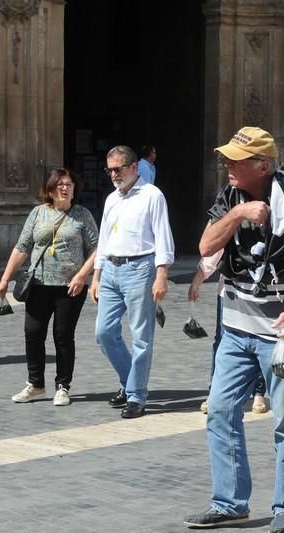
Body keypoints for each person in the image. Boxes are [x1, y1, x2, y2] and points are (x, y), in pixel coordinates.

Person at [183, 126, 284, 533]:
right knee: (221, 411)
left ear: (262, 165)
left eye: (236, 160)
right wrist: (237, 214)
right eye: (226, 158)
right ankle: (229, 502)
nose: (227, 165)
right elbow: (206, 246)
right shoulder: (230, 195)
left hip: (282, 336)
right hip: (234, 330)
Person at [0, 168, 98, 406]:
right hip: (38, 284)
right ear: (50, 190)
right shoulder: (37, 213)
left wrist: (82, 275)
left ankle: (63, 386)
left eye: (69, 184)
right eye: (60, 184)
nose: (65, 188)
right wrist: (4, 279)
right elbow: (22, 247)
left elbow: (97, 248)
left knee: (62, 335)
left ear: (74, 189)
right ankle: (36, 385)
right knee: (33, 333)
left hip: (69, 286)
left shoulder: (82, 214)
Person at [91, 145, 174, 419]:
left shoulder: (152, 195)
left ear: (134, 168)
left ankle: (136, 395)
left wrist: (161, 274)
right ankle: (129, 381)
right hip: (111, 269)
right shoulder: (112, 199)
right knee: (103, 332)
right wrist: (96, 276)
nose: (114, 175)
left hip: (140, 267)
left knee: (141, 336)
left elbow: (163, 237)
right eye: (110, 170)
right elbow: (104, 239)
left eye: (119, 169)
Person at [189, 252, 268, 415]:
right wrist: (197, 280)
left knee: (260, 338)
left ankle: (258, 393)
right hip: (229, 291)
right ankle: (216, 392)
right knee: (222, 341)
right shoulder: (230, 225)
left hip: (261, 290)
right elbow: (213, 249)